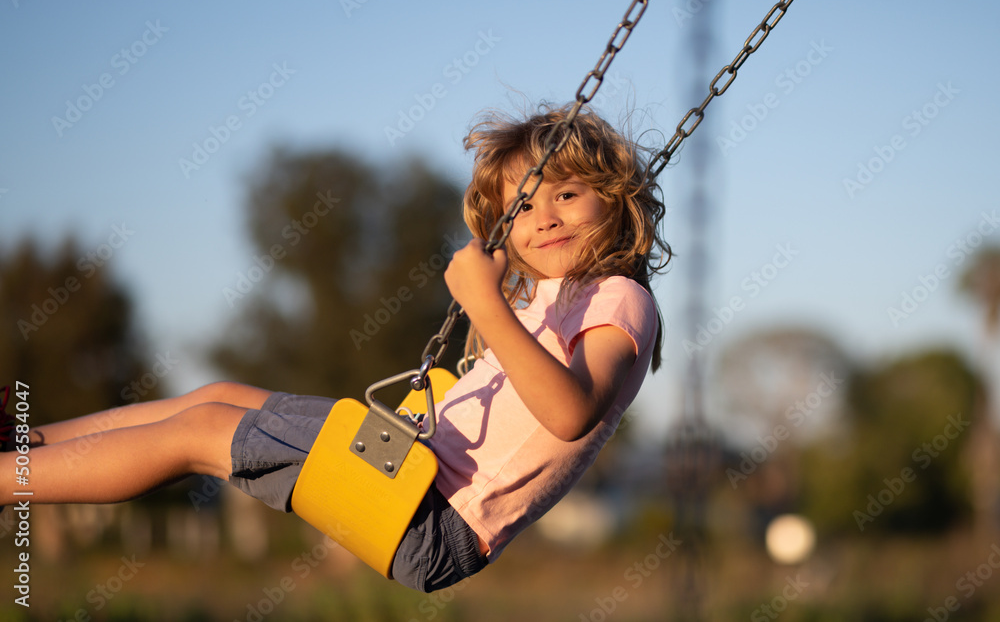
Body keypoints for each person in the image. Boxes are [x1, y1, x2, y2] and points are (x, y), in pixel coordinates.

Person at [0, 103, 671, 593]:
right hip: (407, 477)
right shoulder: (549, 300)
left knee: (202, 432)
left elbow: (569, 412)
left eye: (568, 193)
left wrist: (486, 305)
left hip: (430, 517)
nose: (545, 215)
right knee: (219, 397)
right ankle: (23, 443)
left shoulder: (619, 297)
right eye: (523, 206)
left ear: (614, 198)